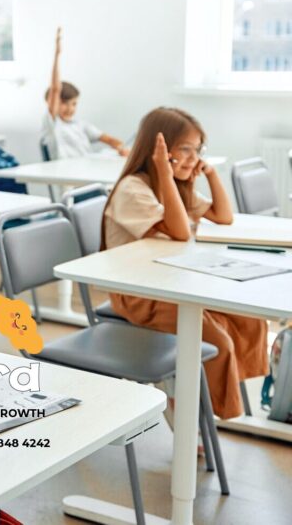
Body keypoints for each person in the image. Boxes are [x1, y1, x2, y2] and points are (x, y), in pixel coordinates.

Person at [102, 107, 267, 419]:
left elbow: (223, 216)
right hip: (139, 293)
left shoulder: (177, 186)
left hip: (173, 283)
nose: (193, 157)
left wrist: (211, 173)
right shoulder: (133, 188)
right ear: (158, 151)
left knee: (248, 319)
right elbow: (178, 233)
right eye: (186, 149)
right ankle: (194, 411)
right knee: (216, 340)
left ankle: (213, 397)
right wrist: (164, 174)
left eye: (199, 149)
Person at [42, 27, 128, 159]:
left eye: (74, 104)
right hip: (65, 175)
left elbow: (110, 140)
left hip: (84, 169)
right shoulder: (53, 124)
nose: (70, 108)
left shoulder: (80, 125)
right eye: (65, 103)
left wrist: (122, 148)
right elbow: (55, 89)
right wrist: (57, 55)